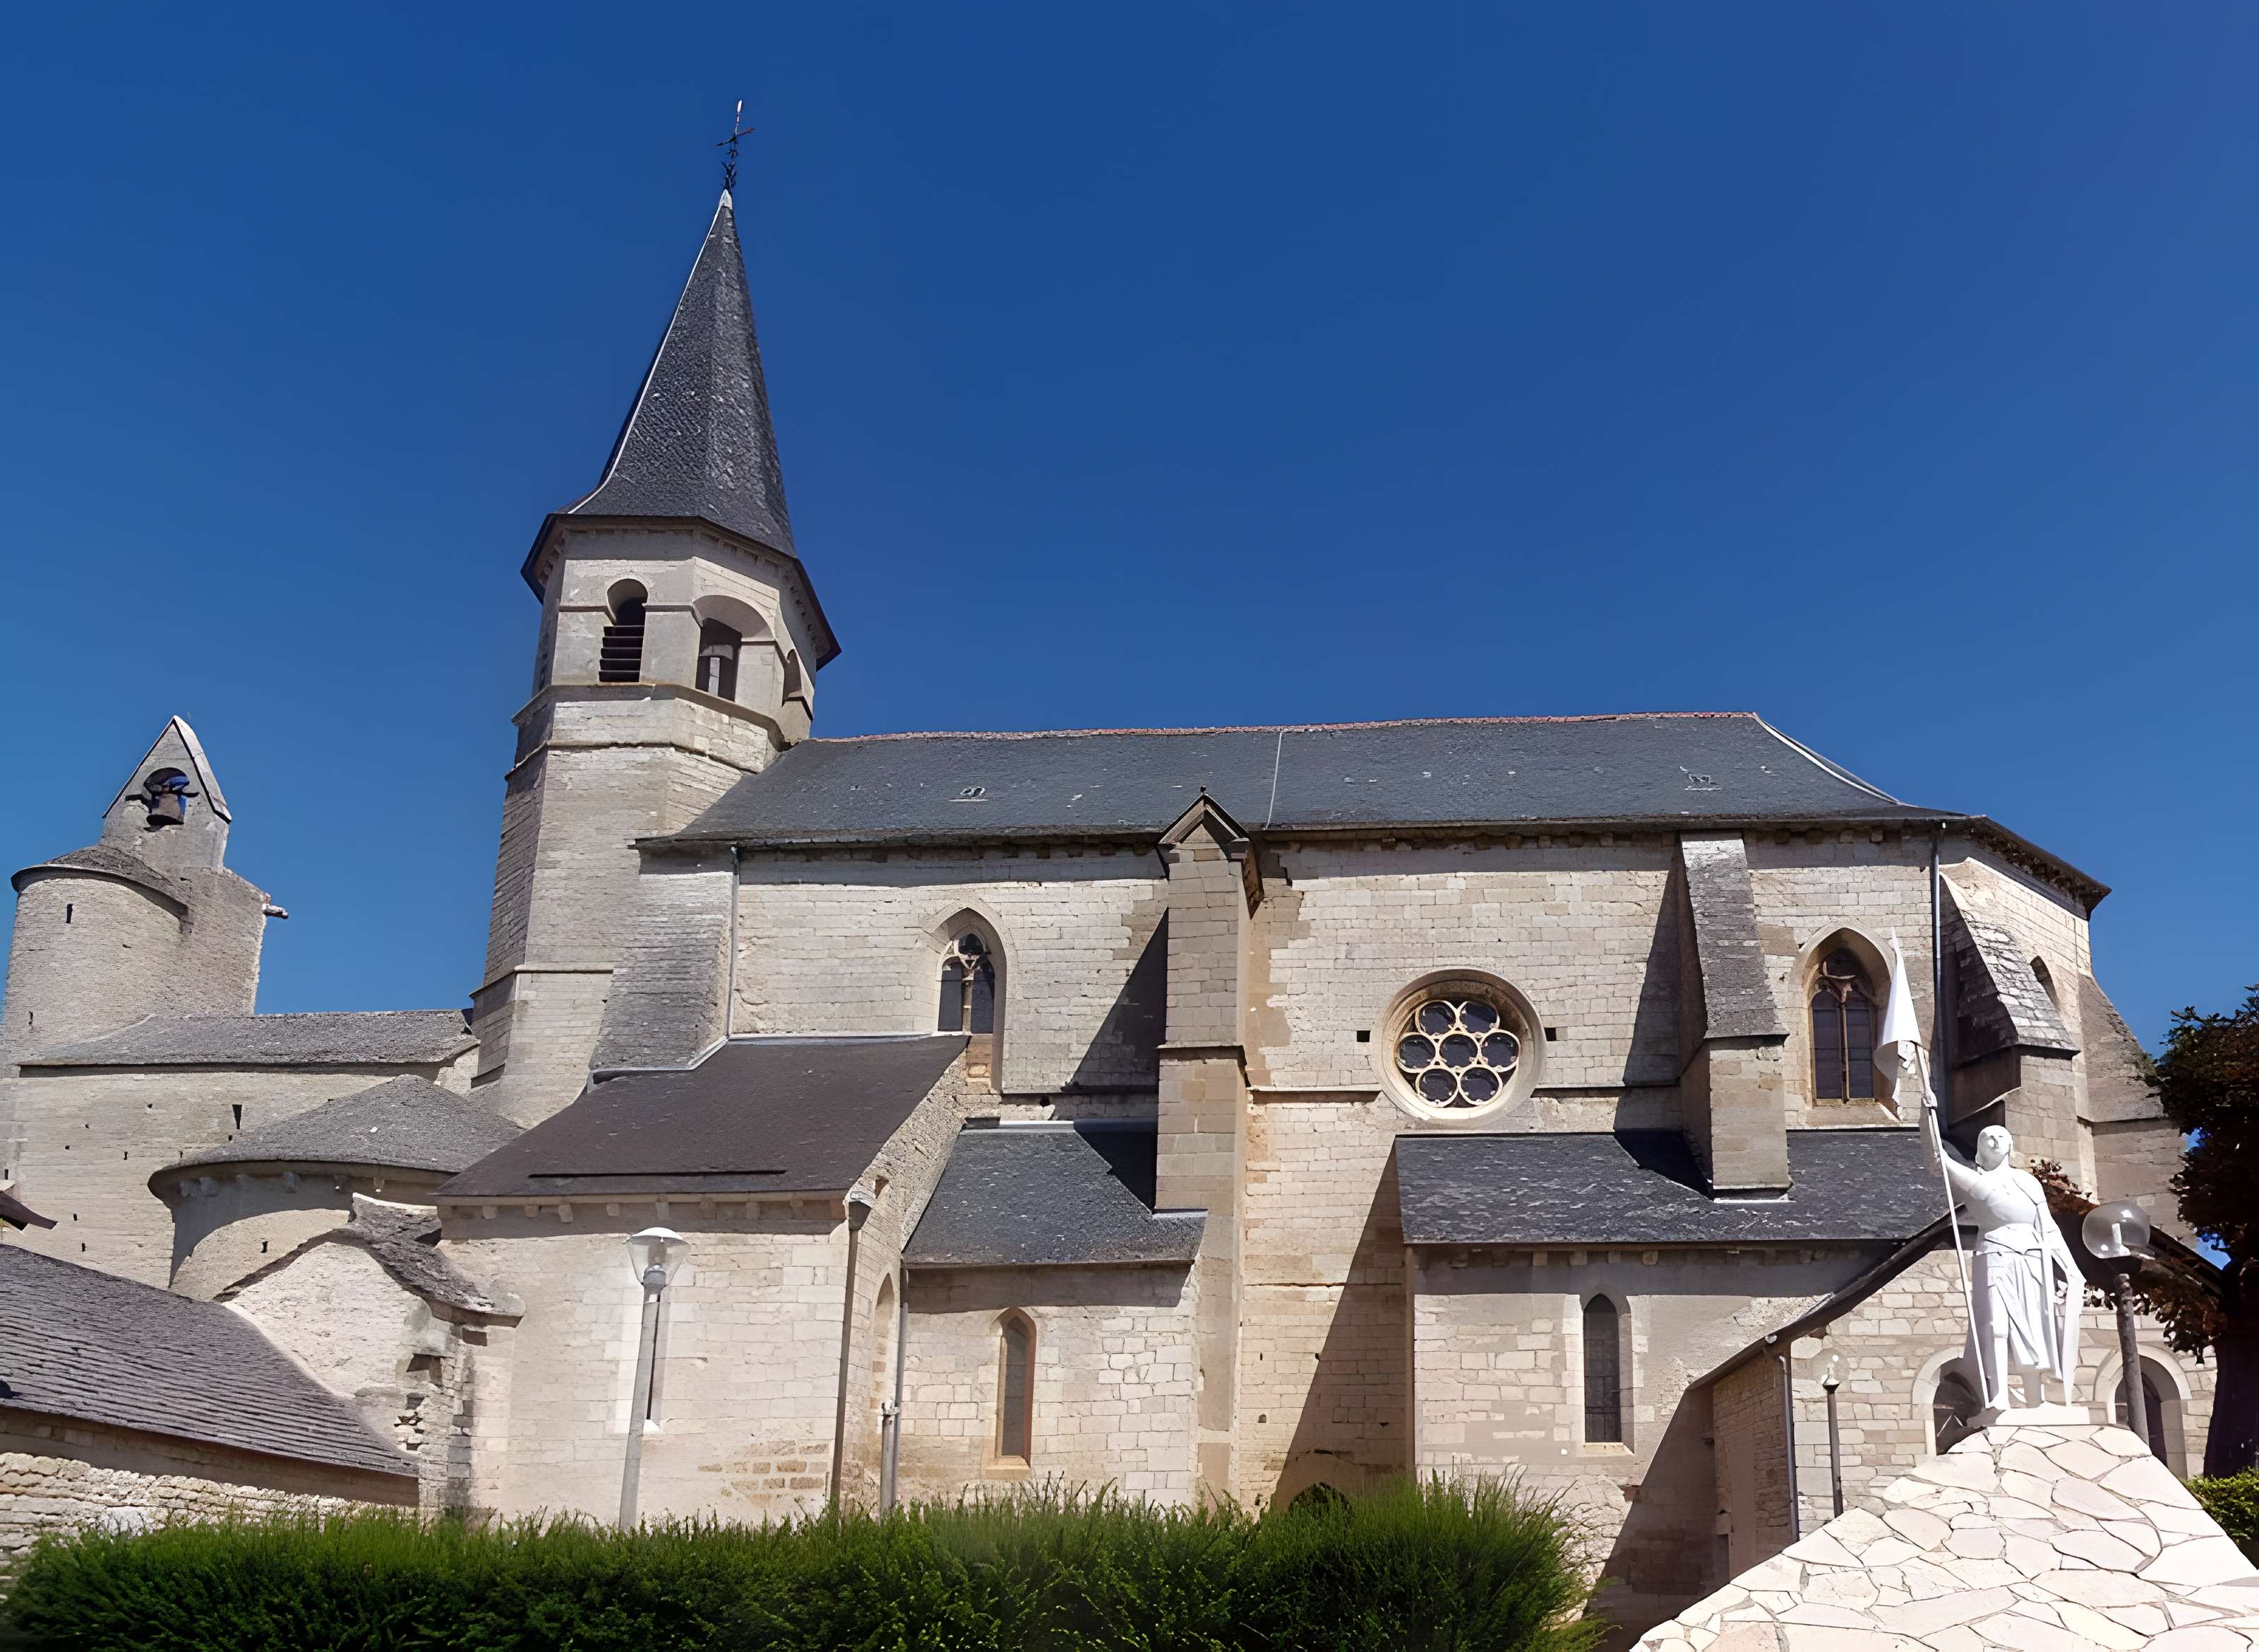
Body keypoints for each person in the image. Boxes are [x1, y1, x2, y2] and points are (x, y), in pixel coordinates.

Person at [1922, 1115, 2080, 1413]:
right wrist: (1925, 1111)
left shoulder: (2028, 1182)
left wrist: (2071, 1268)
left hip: (2033, 1257)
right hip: (1996, 1253)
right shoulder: (1976, 1181)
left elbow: (2047, 1228)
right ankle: (1999, 1396)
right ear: (1980, 1149)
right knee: (1997, 1323)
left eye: (1999, 1136)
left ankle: (2036, 1399)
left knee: (2035, 1325)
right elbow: (1937, 1159)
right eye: (1986, 1137)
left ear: (2010, 1144)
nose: (1993, 1140)